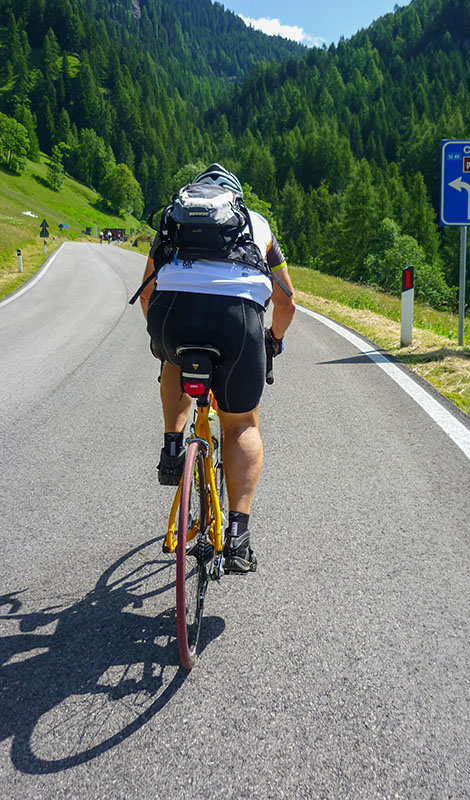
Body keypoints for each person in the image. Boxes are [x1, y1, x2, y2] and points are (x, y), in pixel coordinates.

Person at [138, 163, 295, 573]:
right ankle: (238, 536)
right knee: (241, 424)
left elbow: (148, 290)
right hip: (236, 320)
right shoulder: (255, 223)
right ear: (235, 199)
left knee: (172, 358)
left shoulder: (173, 220)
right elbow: (286, 302)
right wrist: (273, 339)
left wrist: (162, 344)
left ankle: (173, 447)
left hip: (173, 314)